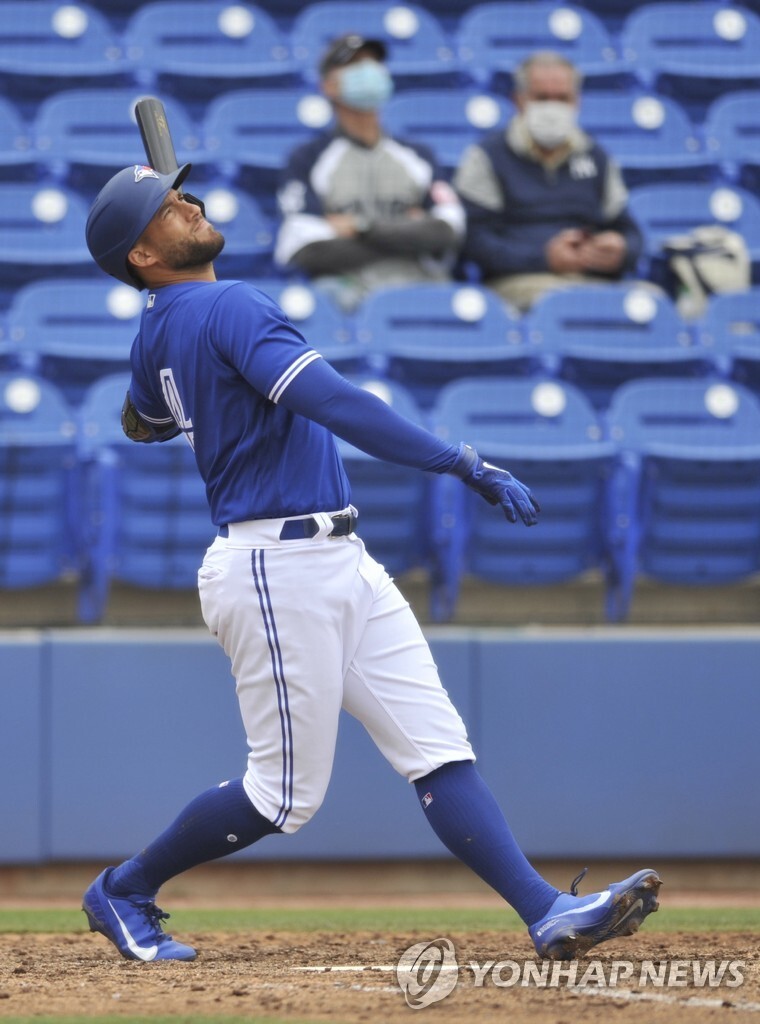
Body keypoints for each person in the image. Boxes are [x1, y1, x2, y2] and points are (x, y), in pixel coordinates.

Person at [81, 160, 661, 964]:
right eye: (165, 207)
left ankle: (545, 910)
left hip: (337, 557)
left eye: (181, 194)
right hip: (273, 566)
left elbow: (142, 419)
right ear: (141, 255)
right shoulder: (230, 303)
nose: (189, 203)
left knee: (436, 744)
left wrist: (163, 355)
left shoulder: (159, 330)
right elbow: (339, 404)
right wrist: (462, 461)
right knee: (284, 797)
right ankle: (124, 888)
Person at [274, 32, 465, 311]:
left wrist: (361, 227)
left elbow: (447, 231)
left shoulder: (418, 155)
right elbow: (304, 251)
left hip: (421, 286)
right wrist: (408, 233)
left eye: (373, 62)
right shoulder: (308, 158)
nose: (368, 70)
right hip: (352, 294)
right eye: (354, 65)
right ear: (328, 86)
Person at [454, 51, 643, 312]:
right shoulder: (487, 156)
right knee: (565, 304)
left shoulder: (596, 157)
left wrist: (621, 250)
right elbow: (474, 241)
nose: (553, 108)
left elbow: (629, 231)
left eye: (562, 99)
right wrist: (543, 258)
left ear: (577, 103)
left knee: (650, 302)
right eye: (542, 98)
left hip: (593, 279)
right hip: (521, 282)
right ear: (519, 101)